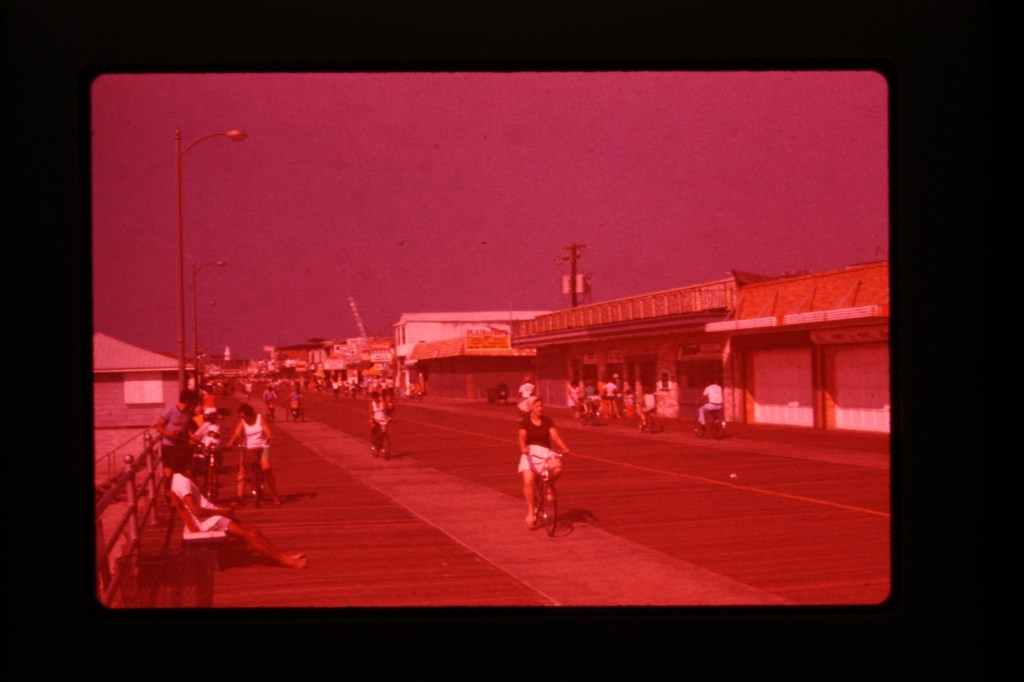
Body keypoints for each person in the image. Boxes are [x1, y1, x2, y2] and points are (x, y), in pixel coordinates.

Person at [170, 472, 306, 569]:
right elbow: (195, 510)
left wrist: (220, 510)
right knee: (249, 535)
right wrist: (221, 512)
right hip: (209, 520)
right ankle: (284, 562)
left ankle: (284, 556)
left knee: (252, 529)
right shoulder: (182, 481)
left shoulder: (177, 479)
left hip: (211, 516)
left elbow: (191, 508)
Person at [517, 398, 570, 528]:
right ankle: (531, 512)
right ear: (531, 408)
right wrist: (523, 448)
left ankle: (549, 485)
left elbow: (555, 436)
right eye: (537, 406)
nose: (540, 408)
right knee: (528, 481)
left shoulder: (547, 420)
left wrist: (564, 447)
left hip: (545, 452)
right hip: (530, 453)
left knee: (558, 468)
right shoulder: (525, 422)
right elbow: (522, 437)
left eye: (541, 406)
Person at [225, 403, 281, 506]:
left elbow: (267, 431)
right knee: (242, 470)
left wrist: (269, 436)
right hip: (248, 447)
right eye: (241, 416)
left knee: (267, 469)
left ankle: (275, 496)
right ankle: (239, 497)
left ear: (249, 414)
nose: (242, 418)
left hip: (262, 446)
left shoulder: (259, 418)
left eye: (243, 416)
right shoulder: (242, 421)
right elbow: (237, 433)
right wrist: (230, 442)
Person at [154, 389, 198, 495]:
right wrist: (169, 434)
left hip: (180, 445)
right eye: (192, 401)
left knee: (180, 472)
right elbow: (158, 426)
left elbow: (188, 428)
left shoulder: (188, 412)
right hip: (168, 445)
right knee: (168, 472)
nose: (193, 404)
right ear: (187, 401)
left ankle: (178, 494)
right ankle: (167, 494)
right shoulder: (170, 411)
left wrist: (192, 436)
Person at [368, 390, 390, 455]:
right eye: (374, 398)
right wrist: (371, 420)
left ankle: (383, 446)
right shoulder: (372, 404)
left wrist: (388, 416)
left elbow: (387, 410)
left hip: (383, 419)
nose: (375, 399)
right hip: (376, 420)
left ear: (378, 397)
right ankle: (374, 443)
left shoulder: (382, 403)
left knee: (384, 433)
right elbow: (371, 413)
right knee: (374, 430)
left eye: (376, 397)